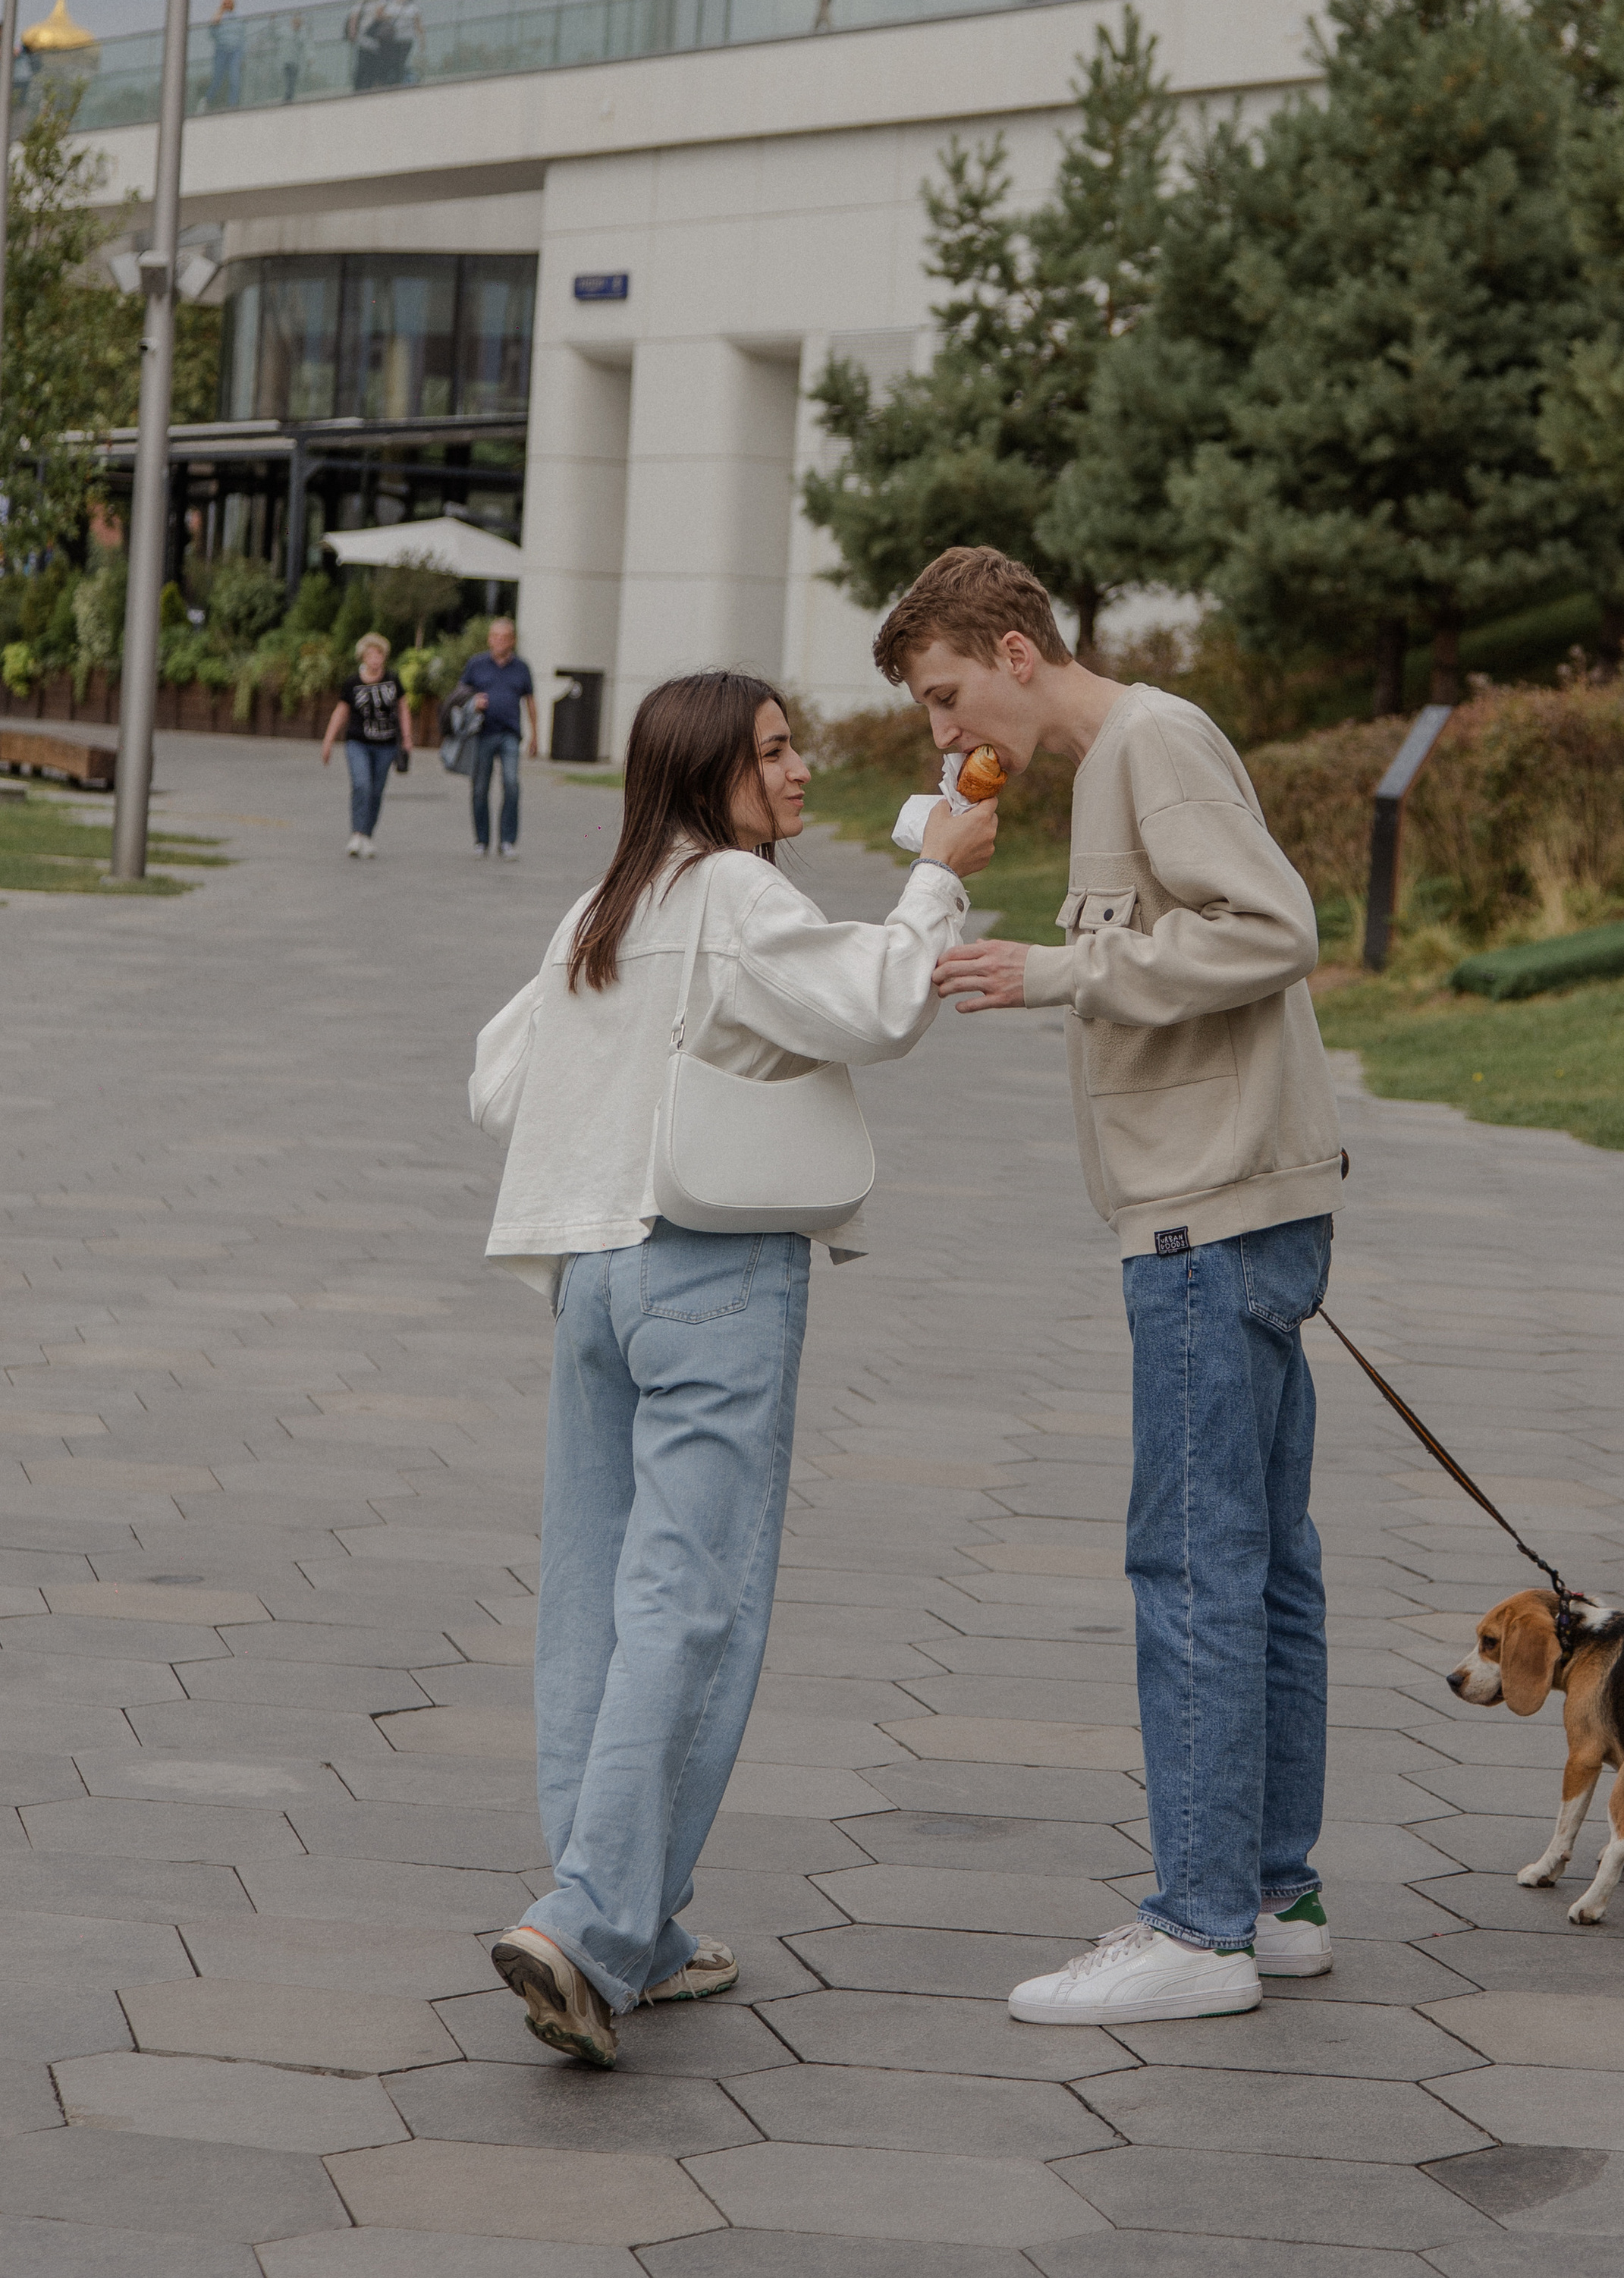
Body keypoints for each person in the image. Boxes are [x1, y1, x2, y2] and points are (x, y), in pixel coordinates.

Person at [472, 671, 997, 2065]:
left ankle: (622, 1924)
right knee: (690, 1603)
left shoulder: (601, 909)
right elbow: (882, 1002)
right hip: (711, 1267)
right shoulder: (737, 895)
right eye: (771, 753)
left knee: (592, 1597)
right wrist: (934, 878)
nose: (801, 768)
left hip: (592, 1276)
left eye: (794, 746)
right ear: (710, 774)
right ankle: (589, 1923)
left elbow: (497, 1083)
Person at [878, 545, 1345, 2026]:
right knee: (1262, 1562)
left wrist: (1057, 975)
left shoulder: (1149, 742)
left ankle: (1195, 1929)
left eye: (946, 694)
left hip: (1205, 1221)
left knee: (1194, 1567)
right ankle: (1270, 1899)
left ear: (1017, 653)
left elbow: (1272, 928)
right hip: (1230, 1205)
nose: (943, 733)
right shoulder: (1112, 768)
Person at [321, 631, 413, 859]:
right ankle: (357, 833)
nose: (375, 659)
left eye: (379, 654)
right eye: (370, 654)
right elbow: (341, 711)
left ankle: (368, 836)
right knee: (362, 785)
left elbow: (403, 707)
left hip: (386, 744)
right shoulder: (352, 683)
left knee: (376, 791)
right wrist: (328, 740)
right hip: (358, 742)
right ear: (363, 657)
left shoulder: (392, 679)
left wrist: (408, 736)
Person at [452, 614, 538, 856]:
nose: (500, 641)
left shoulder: (522, 668)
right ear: (490, 640)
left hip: (510, 734)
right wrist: (474, 701)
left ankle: (507, 841)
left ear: (512, 641)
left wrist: (535, 735)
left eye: (505, 637)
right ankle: (482, 840)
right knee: (480, 788)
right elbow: (459, 695)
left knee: (511, 784)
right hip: (481, 733)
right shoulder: (476, 665)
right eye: (496, 637)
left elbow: (530, 701)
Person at [349, 0, 394, 91]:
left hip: (379, 42)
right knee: (364, 66)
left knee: (374, 67)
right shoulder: (368, 2)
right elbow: (354, 17)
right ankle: (361, 88)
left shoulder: (388, 2)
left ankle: (370, 87)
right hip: (366, 39)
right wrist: (353, 33)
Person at [203, 0, 244, 111]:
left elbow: (242, 37)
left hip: (235, 51)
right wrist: (218, 15)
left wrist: (242, 56)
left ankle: (233, 105)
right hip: (221, 50)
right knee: (217, 78)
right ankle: (207, 101)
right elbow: (211, 34)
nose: (227, 3)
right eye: (225, 2)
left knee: (234, 78)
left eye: (229, 1)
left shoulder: (239, 16)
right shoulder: (219, 16)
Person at [385, 0, 426, 85]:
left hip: (406, 40)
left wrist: (422, 41)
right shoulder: (389, 4)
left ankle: (402, 81)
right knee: (392, 63)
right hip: (392, 40)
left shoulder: (412, 7)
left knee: (400, 62)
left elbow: (418, 25)